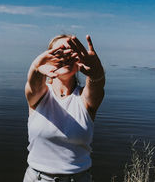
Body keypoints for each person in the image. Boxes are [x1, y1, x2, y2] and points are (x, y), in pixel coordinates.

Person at [23, 34, 105, 182]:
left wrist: (97, 72)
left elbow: (97, 84)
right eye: (59, 53)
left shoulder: (83, 99)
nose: (65, 57)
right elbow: (33, 81)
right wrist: (36, 66)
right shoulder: (39, 95)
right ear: (48, 57)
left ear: (78, 59)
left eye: (70, 52)